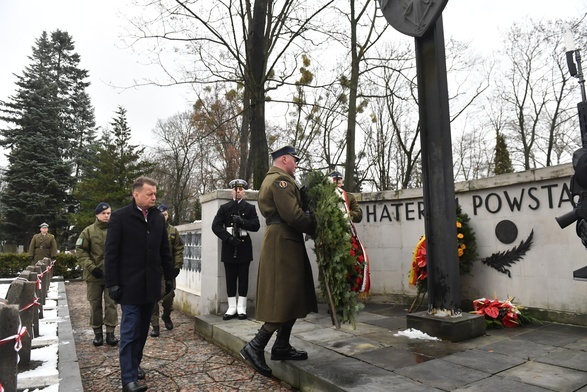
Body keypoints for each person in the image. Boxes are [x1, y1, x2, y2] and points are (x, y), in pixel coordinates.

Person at [240, 145, 317, 378]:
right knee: (284, 295)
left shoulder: (281, 180)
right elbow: (292, 215)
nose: (296, 164)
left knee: (293, 294)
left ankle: (281, 346)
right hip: (283, 240)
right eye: (294, 159)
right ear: (284, 159)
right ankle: (255, 346)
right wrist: (312, 222)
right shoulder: (279, 181)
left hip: (286, 239)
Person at [104, 177, 174, 392]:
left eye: (155, 194)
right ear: (136, 194)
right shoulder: (120, 218)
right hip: (129, 286)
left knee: (142, 331)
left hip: (151, 286)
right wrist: (112, 283)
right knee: (129, 332)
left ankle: (134, 366)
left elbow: (164, 250)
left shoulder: (157, 218)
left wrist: (169, 277)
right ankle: (128, 379)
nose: (154, 197)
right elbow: (111, 254)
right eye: (149, 194)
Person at [212, 179, 260, 320]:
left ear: (244, 191)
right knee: (230, 278)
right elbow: (216, 226)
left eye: (240, 189)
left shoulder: (250, 208)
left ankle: (241, 307)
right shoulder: (224, 208)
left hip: (244, 246)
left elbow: (256, 225)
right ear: (231, 191)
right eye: (235, 189)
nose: (238, 191)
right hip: (229, 246)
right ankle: (232, 306)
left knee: (243, 278)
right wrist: (228, 238)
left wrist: (242, 222)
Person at [76, 202, 119, 347]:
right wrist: (91, 267)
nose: (107, 216)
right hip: (94, 276)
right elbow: (81, 252)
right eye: (104, 213)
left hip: (112, 275)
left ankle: (110, 333)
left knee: (111, 304)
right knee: (95, 305)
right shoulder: (88, 232)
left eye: (109, 213)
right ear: (97, 214)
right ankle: (97, 333)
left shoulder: (116, 230)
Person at [328, 170, 370, 295]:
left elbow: (358, 215)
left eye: (339, 179)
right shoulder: (325, 198)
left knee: (348, 270)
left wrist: (345, 214)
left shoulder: (349, 197)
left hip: (347, 239)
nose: (338, 181)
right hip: (330, 239)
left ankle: (346, 298)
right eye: (335, 179)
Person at [150, 204, 185, 337]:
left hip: (168, 270)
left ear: (168, 215)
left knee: (169, 297)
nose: (163, 218)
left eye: (165, 215)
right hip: (153, 270)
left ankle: (166, 315)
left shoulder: (173, 231)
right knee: (153, 299)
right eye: (160, 215)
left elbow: (178, 250)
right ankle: (155, 325)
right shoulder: (150, 229)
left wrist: (177, 266)